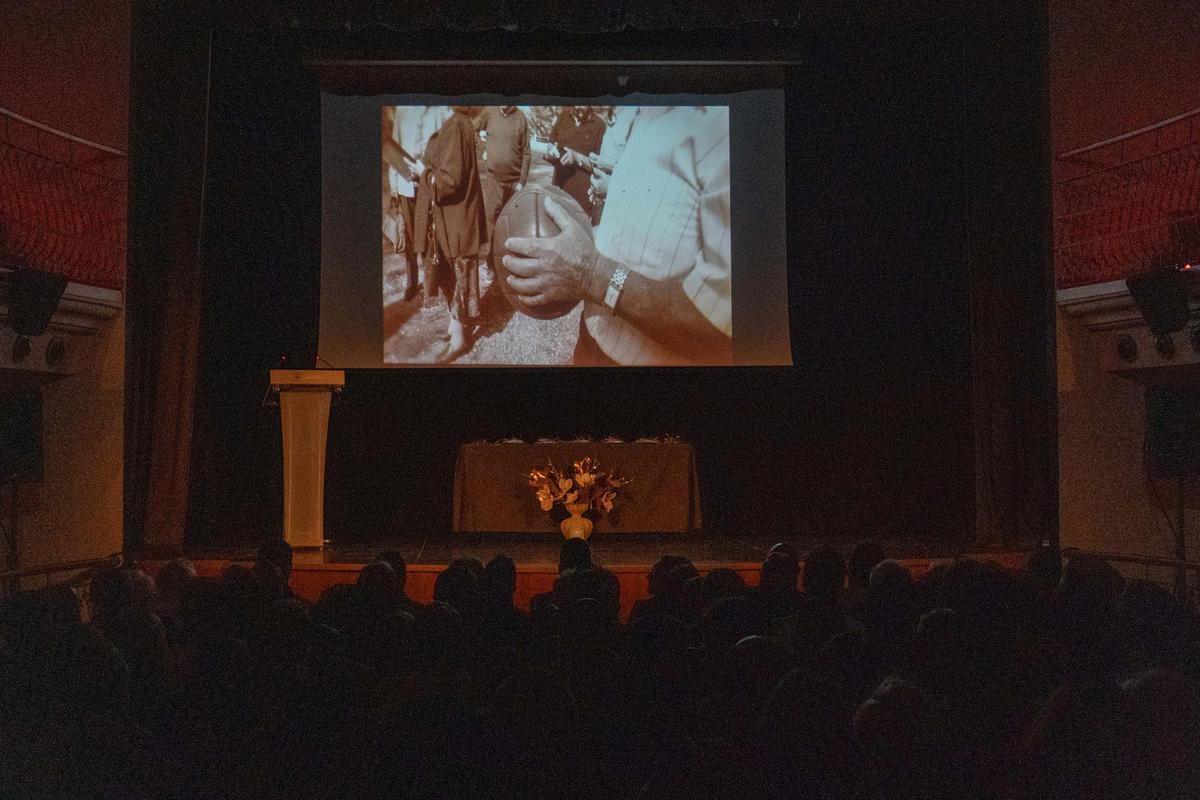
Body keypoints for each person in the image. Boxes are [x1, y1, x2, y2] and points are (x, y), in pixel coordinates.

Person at [503, 106, 732, 366]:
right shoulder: (646, 114)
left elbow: (723, 321)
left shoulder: (724, 126)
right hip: (590, 338)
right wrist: (566, 245)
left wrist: (590, 274)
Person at [414, 106, 489, 362]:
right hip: (454, 218)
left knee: (457, 275)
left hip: (456, 218)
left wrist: (422, 174)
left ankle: (459, 338)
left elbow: (450, 179)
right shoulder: (458, 124)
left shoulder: (455, 126)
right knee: (449, 272)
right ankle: (453, 327)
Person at [478, 105, 531, 248]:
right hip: (494, 179)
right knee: (491, 221)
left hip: (514, 183)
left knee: (511, 222)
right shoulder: (489, 112)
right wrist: (484, 150)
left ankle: (507, 261)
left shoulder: (521, 118)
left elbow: (526, 153)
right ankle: (489, 264)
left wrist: (522, 181)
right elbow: (474, 132)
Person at [548, 106, 606, 223]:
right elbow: (551, 142)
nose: (578, 107)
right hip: (558, 190)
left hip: (581, 199)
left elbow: (600, 166)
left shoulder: (599, 125)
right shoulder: (564, 116)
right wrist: (552, 151)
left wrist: (576, 158)